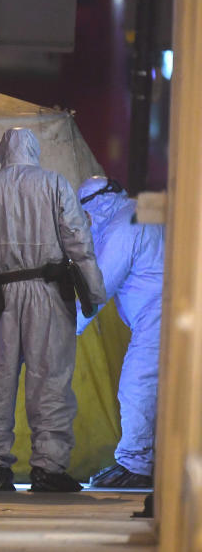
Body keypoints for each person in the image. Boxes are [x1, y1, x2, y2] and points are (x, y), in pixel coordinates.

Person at [0, 127, 106, 492]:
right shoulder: (54, 183)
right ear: (34, 150)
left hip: (0, 295)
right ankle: (48, 468)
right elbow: (78, 240)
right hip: (48, 293)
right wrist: (94, 291)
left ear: (2, 151)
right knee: (50, 378)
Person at [75, 176, 163, 489]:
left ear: (94, 206)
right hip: (174, 309)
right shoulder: (142, 210)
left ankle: (137, 465)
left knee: (136, 385)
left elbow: (96, 290)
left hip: (158, 314)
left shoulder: (120, 227)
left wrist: (63, 331)